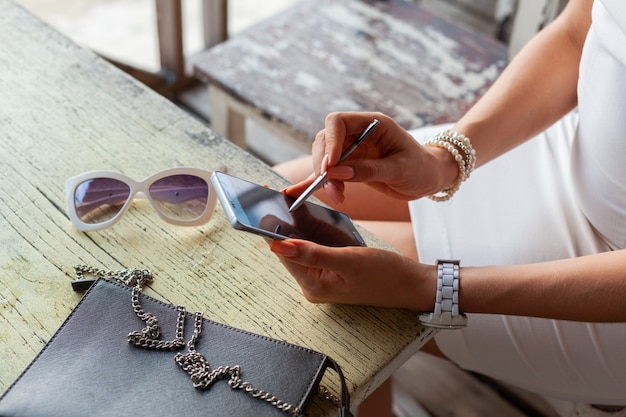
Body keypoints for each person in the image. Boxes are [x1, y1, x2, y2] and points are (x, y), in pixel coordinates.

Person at [270, 0, 626, 415]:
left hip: (606, 292)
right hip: (563, 150)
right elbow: (576, 32)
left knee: (335, 304)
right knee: (279, 188)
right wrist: (444, 161)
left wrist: (424, 287)